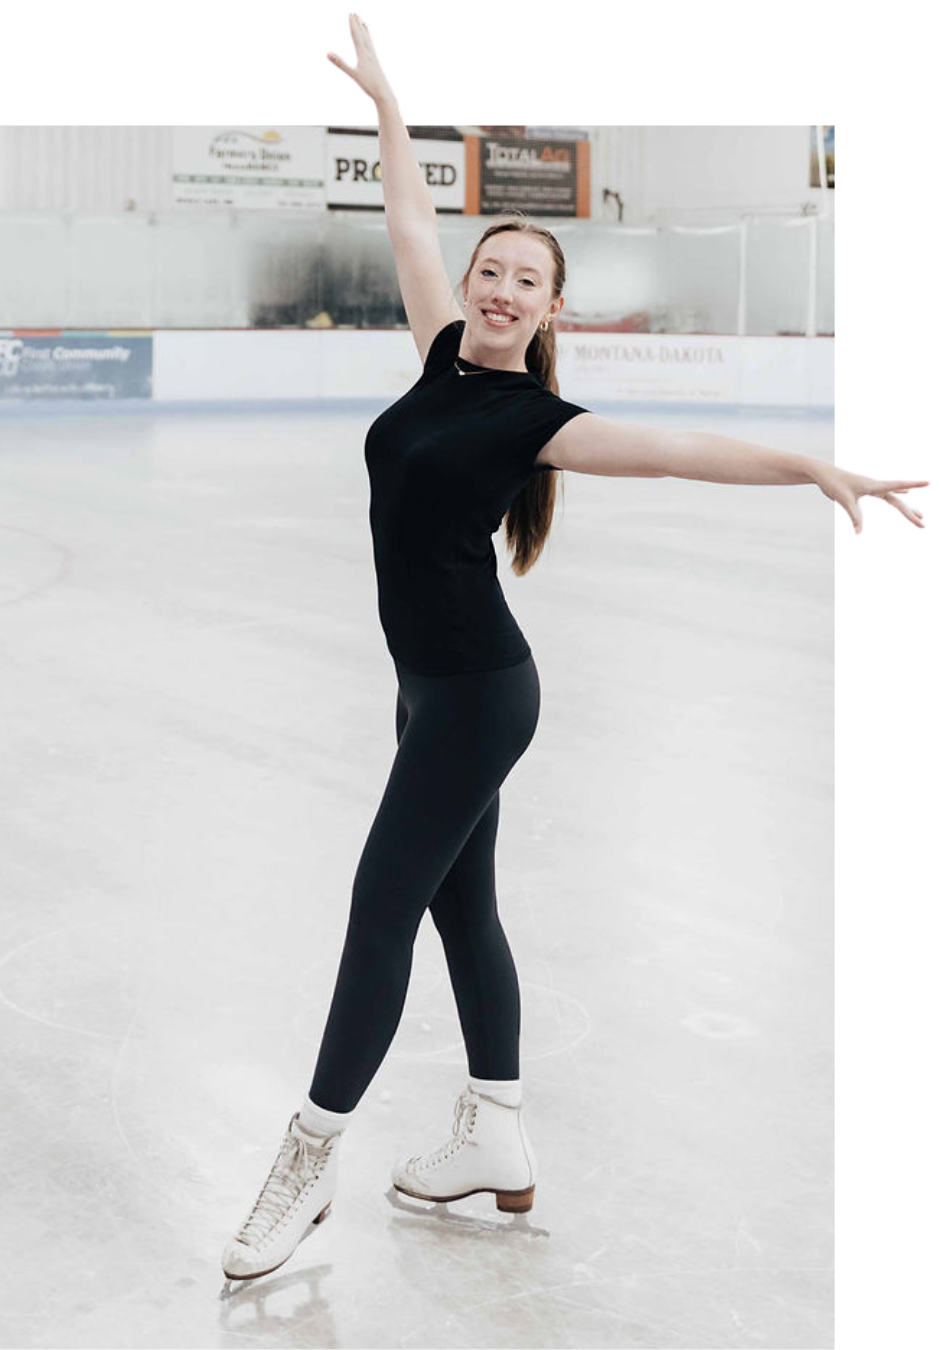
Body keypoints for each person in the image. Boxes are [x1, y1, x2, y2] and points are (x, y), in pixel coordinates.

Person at [222, 14, 927, 1283]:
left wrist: (815, 466)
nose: (495, 290)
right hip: (428, 691)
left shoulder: (541, 422)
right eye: (490, 269)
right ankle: (495, 1133)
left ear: (551, 309)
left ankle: (304, 1162)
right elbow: (406, 227)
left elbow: (689, 454)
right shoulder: (439, 351)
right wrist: (389, 105)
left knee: (383, 907)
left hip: (482, 699)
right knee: (460, 907)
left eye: (523, 283)